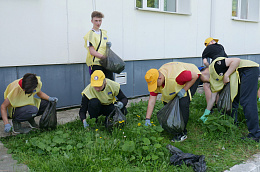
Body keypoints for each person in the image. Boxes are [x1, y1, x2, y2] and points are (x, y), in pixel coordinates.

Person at [199, 57, 260, 142]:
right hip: (240, 74)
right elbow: (212, 98)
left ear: (203, 72)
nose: (205, 82)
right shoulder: (214, 80)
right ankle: (234, 126)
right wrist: (206, 113)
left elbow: (236, 60)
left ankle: (255, 135)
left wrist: (227, 75)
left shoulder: (215, 66)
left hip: (248, 69)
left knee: (247, 101)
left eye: (202, 80)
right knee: (233, 100)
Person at [144, 62, 201, 142]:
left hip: (192, 76)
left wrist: (184, 90)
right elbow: (151, 101)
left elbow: (195, 76)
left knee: (183, 103)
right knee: (169, 103)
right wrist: (147, 119)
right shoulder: (156, 79)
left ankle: (182, 133)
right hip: (176, 81)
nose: (155, 87)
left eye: (155, 84)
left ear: (160, 78)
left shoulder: (177, 77)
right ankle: (172, 125)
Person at [83, 11, 113, 80]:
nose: (98, 23)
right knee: (98, 84)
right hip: (96, 64)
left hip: (105, 63)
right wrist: (103, 57)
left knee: (109, 84)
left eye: (100, 21)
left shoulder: (104, 33)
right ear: (92, 21)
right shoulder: (90, 35)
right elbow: (92, 51)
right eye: (96, 21)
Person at [202, 37, 228, 106]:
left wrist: (209, 67)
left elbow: (205, 62)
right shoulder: (221, 47)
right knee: (219, 83)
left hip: (216, 65)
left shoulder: (207, 49)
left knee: (207, 84)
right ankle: (218, 104)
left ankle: (210, 107)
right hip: (226, 65)